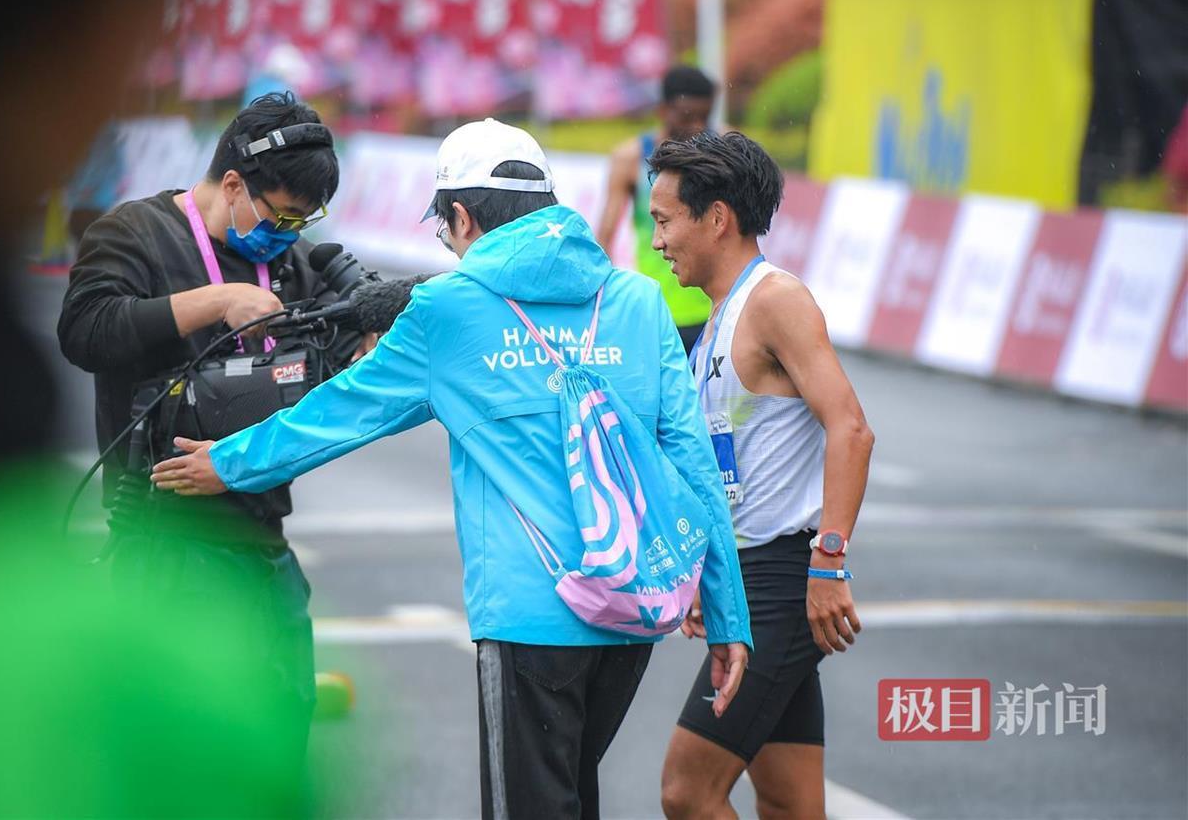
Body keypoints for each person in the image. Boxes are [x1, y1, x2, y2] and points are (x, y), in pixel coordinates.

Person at [151, 118, 754, 820]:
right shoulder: (637, 301)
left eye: (446, 230)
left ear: (463, 216)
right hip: (634, 611)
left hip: (533, 616)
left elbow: (339, 413)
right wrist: (727, 614)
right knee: (569, 794)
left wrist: (226, 463)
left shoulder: (449, 309)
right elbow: (693, 461)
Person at [57, 92, 379, 814]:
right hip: (163, 541)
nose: (287, 236)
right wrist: (216, 301)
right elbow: (85, 332)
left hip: (262, 541)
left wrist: (358, 350)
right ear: (233, 183)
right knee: (173, 775)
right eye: (280, 216)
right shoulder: (133, 233)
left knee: (274, 760)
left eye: (303, 222)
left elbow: (311, 386)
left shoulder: (292, 263)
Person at [649, 132, 874, 820]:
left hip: (778, 586)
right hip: (744, 581)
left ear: (716, 218)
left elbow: (851, 428)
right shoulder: (719, 316)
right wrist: (703, 574)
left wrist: (828, 562)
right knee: (788, 801)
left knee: (688, 795)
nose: (656, 241)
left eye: (663, 220)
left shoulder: (774, 300)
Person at [596, 65, 723, 353]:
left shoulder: (723, 152)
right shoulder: (630, 158)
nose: (699, 127)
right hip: (659, 311)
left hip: (716, 309)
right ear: (663, 110)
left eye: (706, 116)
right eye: (688, 116)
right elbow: (605, 236)